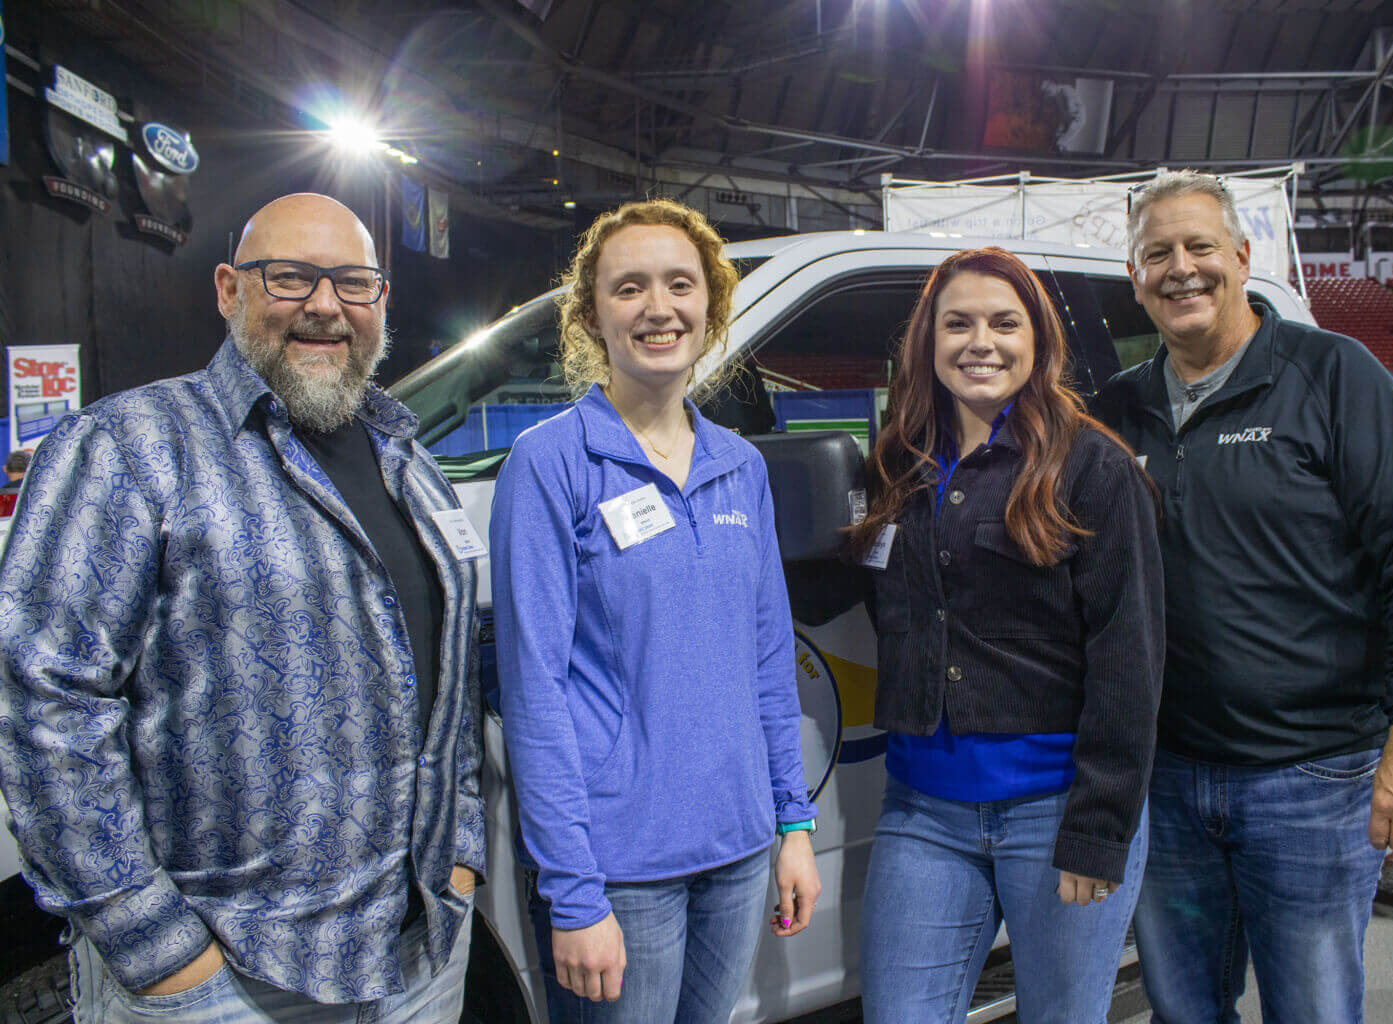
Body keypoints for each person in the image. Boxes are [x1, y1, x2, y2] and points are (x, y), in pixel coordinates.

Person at [0, 193, 484, 1023]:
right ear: (229, 290)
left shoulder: (411, 463)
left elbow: (455, 680)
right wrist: (156, 951)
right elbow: (44, 703)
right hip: (234, 979)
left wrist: (462, 849)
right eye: (291, 278)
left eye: (352, 283)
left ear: (379, 302)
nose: (325, 305)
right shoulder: (129, 446)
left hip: (421, 952)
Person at [1091, 170, 1393, 1023]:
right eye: (1158, 254)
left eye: (1199, 247)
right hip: (1170, 777)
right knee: (1184, 1009)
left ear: (1242, 257)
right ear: (1135, 276)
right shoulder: (1120, 407)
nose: (1181, 269)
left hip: (1314, 778)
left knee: (1312, 1009)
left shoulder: (1333, 375)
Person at [489, 197, 819, 1023]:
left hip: (740, 852)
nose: (658, 307)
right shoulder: (550, 465)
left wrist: (793, 824)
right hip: (620, 868)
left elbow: (769, 662)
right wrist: (573, 891)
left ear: (710, 307)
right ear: (592, 315)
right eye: (629, 288)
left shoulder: (739, 465)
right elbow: (534, 695)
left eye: (680, 284)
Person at [848, 247, 1164, 1024]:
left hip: (1056, 811)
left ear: (1038, 340)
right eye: (957, 324)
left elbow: (1130, 657)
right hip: (922, 811)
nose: (979, 342)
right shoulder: (898, 463)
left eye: (1003, 323)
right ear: (928, 342)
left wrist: (1098, 829)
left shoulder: (1094, 467)